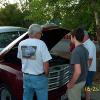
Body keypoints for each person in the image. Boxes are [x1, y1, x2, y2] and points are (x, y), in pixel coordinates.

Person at [17, 24, 52, 100]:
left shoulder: (21, 43)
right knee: (42, 97)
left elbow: (21, 59)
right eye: (41, 33)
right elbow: (46, 63)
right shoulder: (41, 44)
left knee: (27, 97)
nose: (41, 35)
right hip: (39, 77)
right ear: (37, 33)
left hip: (26, 76)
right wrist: (46, 75)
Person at [67, 28, 89, 100]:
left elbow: (78, 71)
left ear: (74, 37)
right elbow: (87, 65)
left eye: (71, 36)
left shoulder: (76, 51)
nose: (70, 38)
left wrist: (71, 83)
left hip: (76, 83)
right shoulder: (85, 49)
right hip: (83, 80)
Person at [83, 30, 96, 100]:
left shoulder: (90, 44)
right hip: (88, 69)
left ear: (85, 36)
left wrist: (85, 69)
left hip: (89, 69)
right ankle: (87, 98)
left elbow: (90, 59)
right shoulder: (85, 44)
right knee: (86, 86)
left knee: (88, 86)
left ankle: (88, 98)